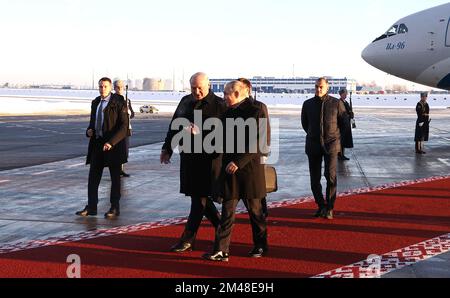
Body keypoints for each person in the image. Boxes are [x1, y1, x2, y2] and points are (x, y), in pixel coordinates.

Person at [160, 72, 227, 253]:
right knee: (198, 198)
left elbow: (227, 136)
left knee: (200, 199)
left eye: (200, 88)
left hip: (210, 160)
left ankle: (189, 239)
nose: (196, 92)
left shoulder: (220, 105)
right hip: (189, 158)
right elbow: (174, 125)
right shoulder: (185, 101)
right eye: (193, 88)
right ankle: (222, 229)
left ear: (209, 85)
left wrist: (202, 134)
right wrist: (167, 148)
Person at [203, 80, 268, 262]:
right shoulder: (228, 111)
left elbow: (258, 141)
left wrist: (239, 162)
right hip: (230, 170)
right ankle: (221, 250)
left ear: (237, 93)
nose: (223, 97)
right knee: (227, 211)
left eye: (226, 94)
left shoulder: (256, 110)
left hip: (249, 170)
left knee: (255, 211)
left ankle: (261, 245)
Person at [76, 77, 129, 219]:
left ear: (110, 87)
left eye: (105, 86)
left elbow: (124, 127)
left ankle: (114, 207)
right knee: (93, 177)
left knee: (115, 179)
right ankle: (92, 207)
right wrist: (89, 131)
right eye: (100, 86)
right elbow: (92, 122)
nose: (102, 89)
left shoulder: (118, 102)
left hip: (113, 146)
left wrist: (111, 142)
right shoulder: (96, 102)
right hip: (98, 145)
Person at [301, 77, 348, 220]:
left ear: (327, 87)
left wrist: (334, 136)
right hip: (313, 145)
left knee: (330, 176)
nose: (318, 89)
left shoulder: (336, 103)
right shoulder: (307, 104)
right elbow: (305, 124)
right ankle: (321, 205)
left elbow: (344, 123)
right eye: (316, 86)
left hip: (331, 145)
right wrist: (314, 135)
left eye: (321, 87)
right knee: (314, 180)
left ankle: (330, 207)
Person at [237, 78, 270, 218]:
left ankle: (262, 211)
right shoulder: (233, 106)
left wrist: (264, 151)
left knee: (257, 185)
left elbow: (265, 130)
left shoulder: (259, 107)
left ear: (248, 89)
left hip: (257, 152)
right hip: (239, 152)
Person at [113, 79, 135, 177]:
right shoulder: (112, 100)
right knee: (116, 151)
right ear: (114, 88)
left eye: (121, 87)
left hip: (126, 129)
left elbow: (132, 114)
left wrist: (128, 111)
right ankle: (116, 170)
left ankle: (121, 169)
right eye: (118, 87)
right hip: (116, 130)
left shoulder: (127, 100)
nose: (120, 89)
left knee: (124, 151)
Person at [337, 88, 354, 161]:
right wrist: (347, 115)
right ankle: (340, 155)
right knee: (341, 140)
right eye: (345, 93)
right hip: (342, 125)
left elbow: (347, 111)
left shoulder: (345, 102)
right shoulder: (339, 102)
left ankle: (342, 154)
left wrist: (351, 114)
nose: (346, 94)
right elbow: (340, 113)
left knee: (343, 141)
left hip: (346, 124)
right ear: (341, 94)